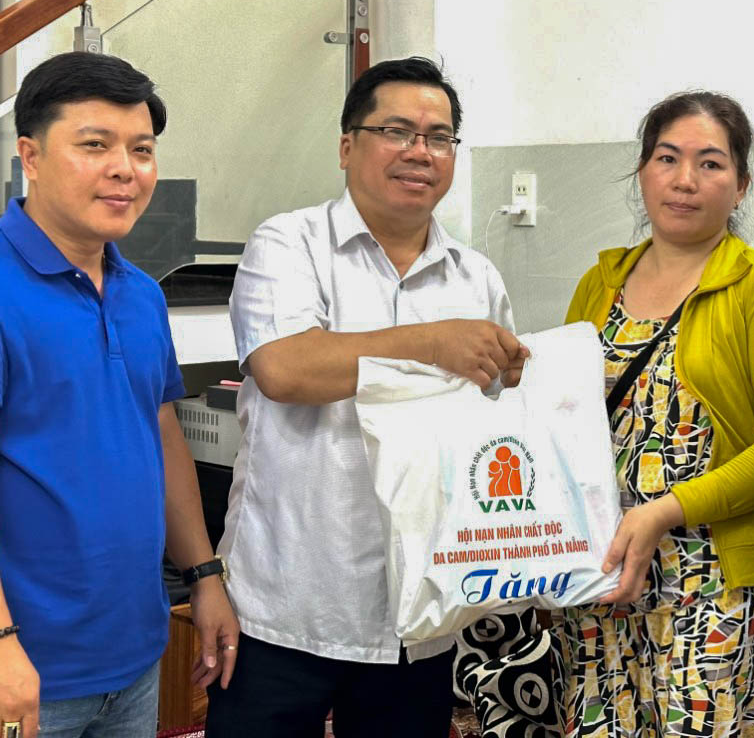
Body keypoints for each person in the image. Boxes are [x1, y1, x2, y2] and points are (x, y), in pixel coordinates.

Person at [0, 52, 239, 738]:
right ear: (30, 156)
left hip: (133, 660)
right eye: (95, 145)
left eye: (141, 149)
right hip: (14, 671)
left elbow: (162, 435)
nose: (125, 168)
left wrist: (204, 575)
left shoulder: (143, 295)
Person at [204, 56, 527, 738]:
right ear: (348, 146)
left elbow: (499, 428)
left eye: (439, 137)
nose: (420, 151)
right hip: (283, 606)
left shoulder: (478, 277)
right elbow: (287, 370)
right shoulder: (288, 244)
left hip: (418, 614)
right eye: (397, 130)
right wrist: (432, 343)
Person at [558, 91, 754, 737]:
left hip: (718, 581)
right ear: (642, 171)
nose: (686, 180)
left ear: (741, 184)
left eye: (711, 164)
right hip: (604, 570)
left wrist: (665, 510)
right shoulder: (598, 283)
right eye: (668, 158)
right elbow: (563, 423)